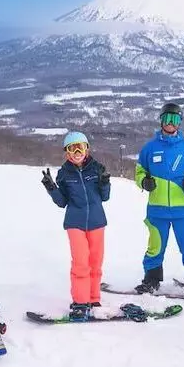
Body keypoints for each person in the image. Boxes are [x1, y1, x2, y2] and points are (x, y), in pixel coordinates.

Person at [134, 102, 184, 298]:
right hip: (157, 209)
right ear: (161, 121)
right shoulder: (150, 148)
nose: (170, 123)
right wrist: (144, 181)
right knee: (155, 247)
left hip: (183, 209)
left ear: (180, 122)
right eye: (166, 118)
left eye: (174, 119)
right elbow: (139, 171)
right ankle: (151, 279)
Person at [41, 132, 111, 321]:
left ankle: (94, 299)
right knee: (81, 263)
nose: (77, 152)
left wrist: (105, 183)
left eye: (81, 147)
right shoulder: (64, 173)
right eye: (73, 148)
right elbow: (62, 201)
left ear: (87, 148)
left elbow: (104, 197)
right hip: (75, 223)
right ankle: (80, 302)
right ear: (67, 152)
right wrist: (52, 188)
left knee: (95, 263)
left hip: (97, 222)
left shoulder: (97, 168)